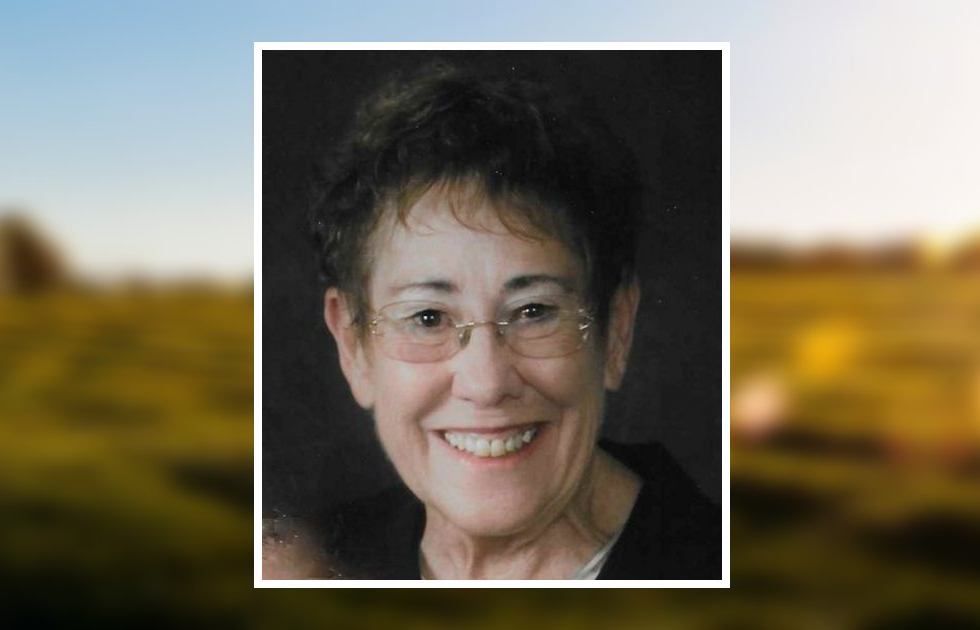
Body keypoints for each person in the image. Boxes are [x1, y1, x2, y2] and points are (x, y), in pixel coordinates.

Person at [279, 61, 719, 579]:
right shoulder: (303, 566)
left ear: (617, 330)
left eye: (534, 312)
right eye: (428, 318)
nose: (486, 383)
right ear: (353, 346)